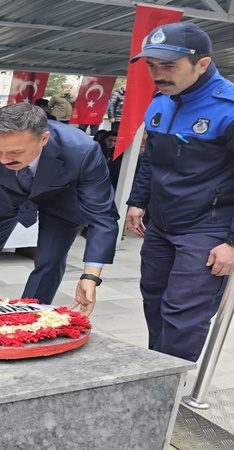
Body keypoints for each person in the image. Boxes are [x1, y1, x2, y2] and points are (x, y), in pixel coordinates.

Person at [126, 22, 234, 362]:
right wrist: (137, 201)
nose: (158, 75)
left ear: (202, 64)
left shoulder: (229, 108)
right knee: (154, 298)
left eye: (169, 65)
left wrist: (232, 242)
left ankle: (168, 384)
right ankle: (158, 370)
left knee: (183, 312)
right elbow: (151, 159)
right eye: (152, 65)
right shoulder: (161, 102)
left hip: (207, 228)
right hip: (160, 224)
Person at [0, 103, 119, 315]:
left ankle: (28, 315)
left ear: (44, 139)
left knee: (50, 259)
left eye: (15, 152)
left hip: (61, 196)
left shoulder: (82, 150)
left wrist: (90, 276)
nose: (3, 160)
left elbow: (102, 215)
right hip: (5, 192)